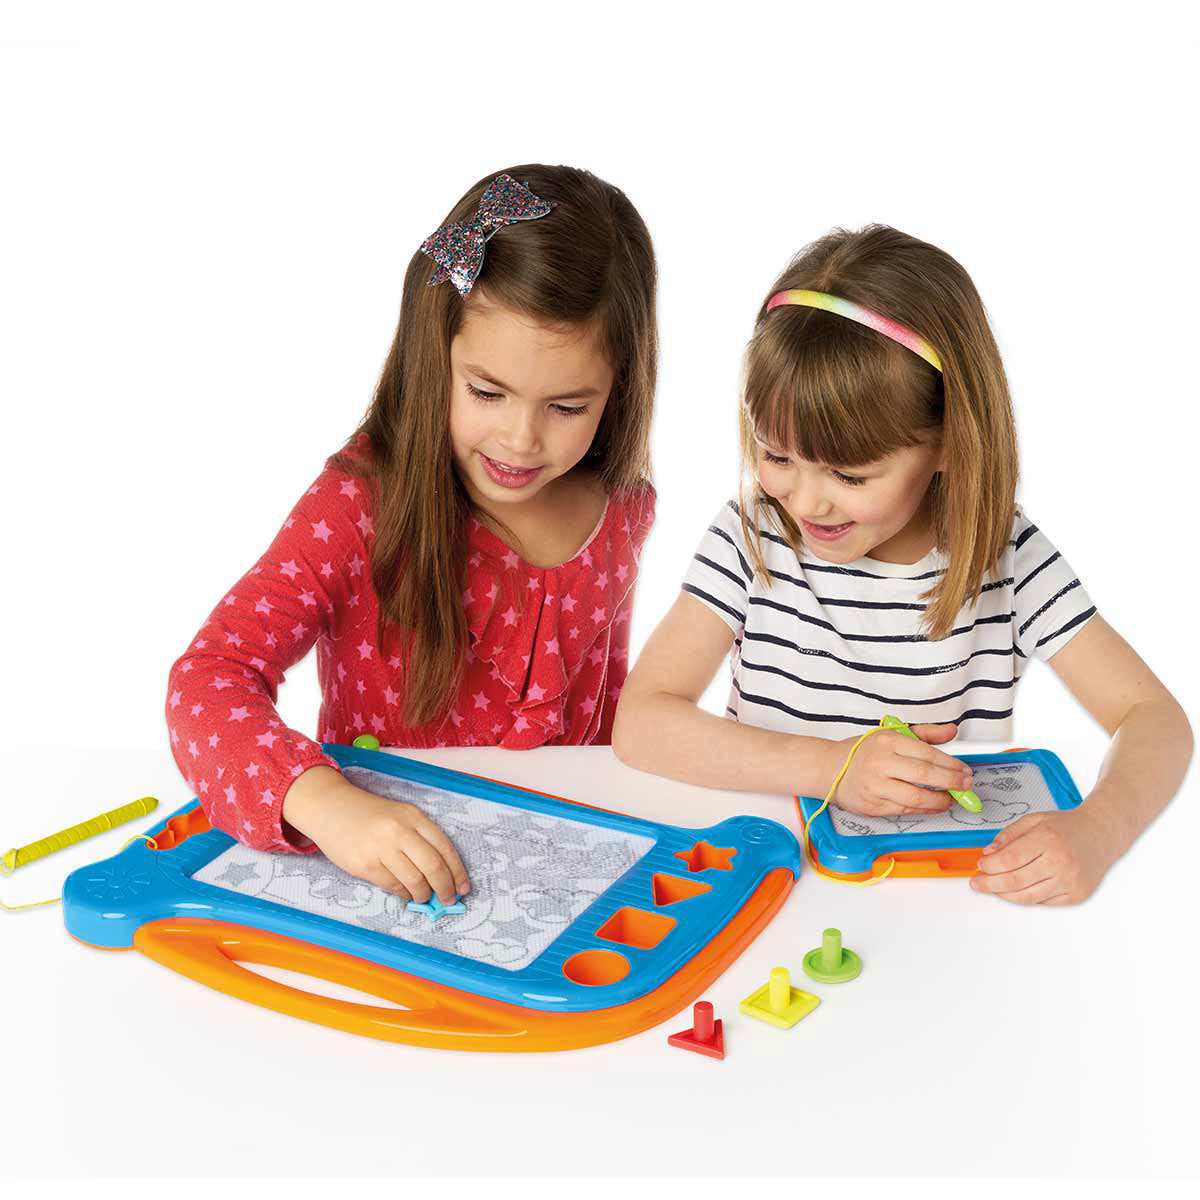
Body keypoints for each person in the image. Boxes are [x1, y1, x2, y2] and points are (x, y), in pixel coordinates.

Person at [614, 225, 1190, 904]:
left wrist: (1100, 829)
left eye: (850, 475)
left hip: (934, 896)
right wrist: (833, 767)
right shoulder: (754, 534)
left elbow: (1154, 718)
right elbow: (641, 723)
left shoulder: (1004, 555)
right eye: (777, 456)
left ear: (948, 442)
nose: (806, 501)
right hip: (768, 877)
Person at [167, 166, 658, 905]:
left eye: (567, 407)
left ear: (620, 386)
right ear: (436, 354)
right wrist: (325, 804)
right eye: (487, 392)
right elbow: (207, 678)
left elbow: (607, 720)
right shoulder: (359, 505)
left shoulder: (620, 508)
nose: (521, 439)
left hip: (560, 878)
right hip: (393, 887)